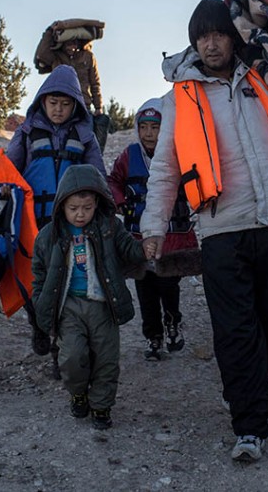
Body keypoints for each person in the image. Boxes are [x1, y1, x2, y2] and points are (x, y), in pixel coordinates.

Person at [139, 0, 268, 463]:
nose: (210, 43)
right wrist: (154, 226)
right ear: (194, 43)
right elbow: (165, 169)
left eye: (218, 34)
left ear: (234, 37)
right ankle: (249, 425)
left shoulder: (266, 79)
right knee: (234, 328)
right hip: (220, 227)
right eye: (202, 36)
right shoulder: (180, 99)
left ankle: (247, 389)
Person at [30, 163, 146, 430]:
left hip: (103, 305)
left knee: (106, 359)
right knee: (71, 358)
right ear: (61, 206)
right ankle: (79, 393)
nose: (80, 215)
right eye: (73, 209)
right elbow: (37, 271)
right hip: (68, 306)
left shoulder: (110, 227)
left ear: (97, 204)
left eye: (87, 208)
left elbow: (129, 249)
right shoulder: (49, 236)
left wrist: (144, 249)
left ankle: (102, 406)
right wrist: (40, 300)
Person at [108, 98, 199, 361]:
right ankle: (153, 337)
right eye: (144, 126)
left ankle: (173, 323)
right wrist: (120, 202)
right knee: (145, 289)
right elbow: (114, 180)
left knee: (169, 284)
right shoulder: (129, 155)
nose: (149, 133)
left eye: (155, 127)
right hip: (137, 236)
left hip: (173, 237)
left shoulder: (178, 152)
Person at [5, 64, 105, 229]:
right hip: (31, 220)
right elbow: (9, 170)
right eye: (53, 102)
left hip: (74, 221)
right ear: (43, 101)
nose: (58, 109)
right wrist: (5, 186)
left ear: (75, 105)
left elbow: (99, 177)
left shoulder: (85, 135)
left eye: (65, 104)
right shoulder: (26, 132)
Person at [52, 38, 104, 117]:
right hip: (62, 107)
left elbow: (95, 83)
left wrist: (98, 106)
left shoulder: (88, 56)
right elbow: (41, 55)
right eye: (68, 44)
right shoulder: (57, 57)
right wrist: (49, 32)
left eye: (74, 44)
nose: (72, 48)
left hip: (83, 106)